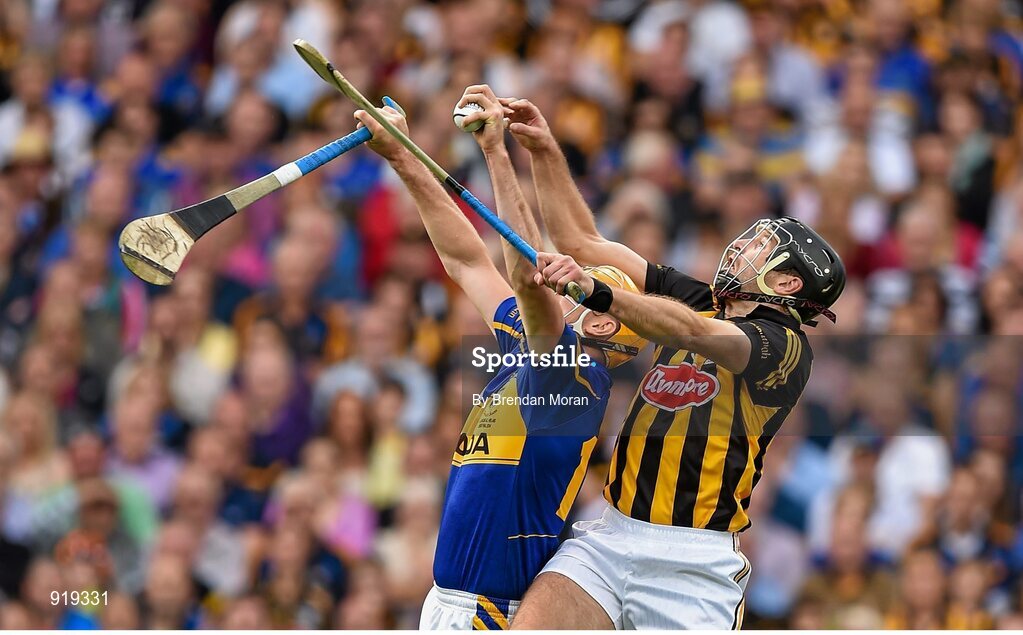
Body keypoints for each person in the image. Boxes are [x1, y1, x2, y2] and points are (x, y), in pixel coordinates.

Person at [496, 94, 846, 629]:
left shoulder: (785, 347)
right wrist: (542, 150)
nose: (742, 246)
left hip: (694, 563)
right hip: (609, 535)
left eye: (761, 247)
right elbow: (583, 241)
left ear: (786, 282)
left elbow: (695, 331)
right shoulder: (704, 296)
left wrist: (598, 293)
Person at [353, 85, 647, 630]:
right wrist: (402, 155)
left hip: (492, 616)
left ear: (603, 322)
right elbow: (465, 259)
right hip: (443, 603)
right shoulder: (528, 345)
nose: (565, 277)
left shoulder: (578, 382)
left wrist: (495, 152)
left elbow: (529, 280)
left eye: (583, 283)